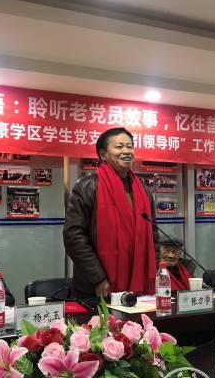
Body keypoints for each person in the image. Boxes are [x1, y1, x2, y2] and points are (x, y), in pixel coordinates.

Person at [63, 127, 159, 298]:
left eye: (130, 146)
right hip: (97, 287)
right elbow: (73, 236)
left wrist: (155, 269)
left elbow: (153, 236)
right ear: (103, 154)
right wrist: (98, 278)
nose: (126, 151)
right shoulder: (87, 186)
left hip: (138, 283)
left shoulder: (143, 191)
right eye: (119, 147)